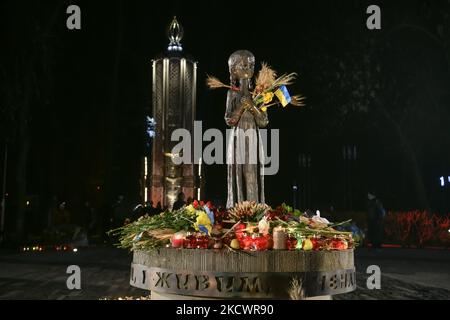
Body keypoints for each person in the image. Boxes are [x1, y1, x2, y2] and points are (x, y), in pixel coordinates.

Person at [225, 50, 268, 208]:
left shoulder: (258, 95)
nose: (247, 69)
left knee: (252, 172)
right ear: (233, 70)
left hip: (253, 137)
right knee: (239, 172)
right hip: (238, 138)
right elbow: (229, 120)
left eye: (250, 65)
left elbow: (263, 121)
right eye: (243, 65)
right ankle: (238, 209)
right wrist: (241, 108)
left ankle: (254, 209)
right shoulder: (231, 94)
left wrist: (253, 107)